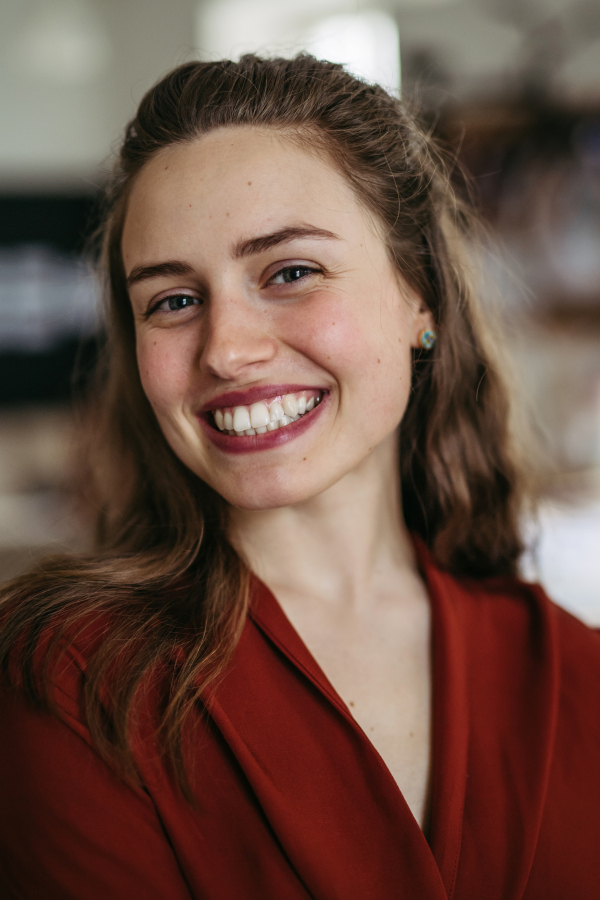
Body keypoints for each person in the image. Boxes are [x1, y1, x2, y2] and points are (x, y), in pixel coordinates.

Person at [0, 54, 599, 900]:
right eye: (172, 300)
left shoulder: (578, 676)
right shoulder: (76, 681)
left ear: (418, 294)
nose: (226, 349)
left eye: (289, 272)